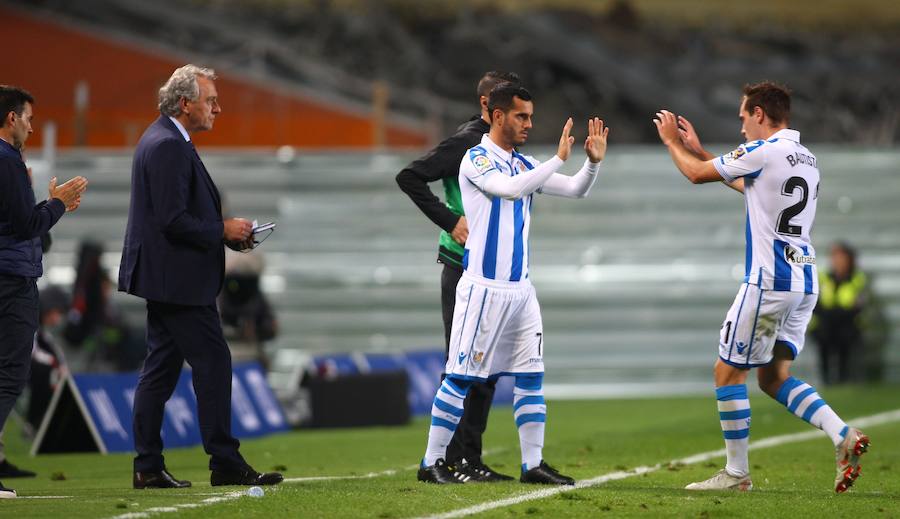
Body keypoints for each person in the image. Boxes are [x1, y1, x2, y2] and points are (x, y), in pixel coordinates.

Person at [653, 81, 869, 493]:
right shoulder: (806, 158)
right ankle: (842, 434)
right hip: (804, 282)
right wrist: (700, 150)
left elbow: (697, 176)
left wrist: (671, 143)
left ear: (759, 115)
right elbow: (754, 190)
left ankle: (736, 475)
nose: (741, 129)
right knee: (773, 378)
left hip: (769, 281)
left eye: (742, 118)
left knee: (726, 372)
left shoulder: (762, 151)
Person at [417, 84, 609, 485]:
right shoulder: (476, 159)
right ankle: (431, 462)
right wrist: (556, 160)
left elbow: (576, 189)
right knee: (461, 376)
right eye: (521, 116)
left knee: (530, 375)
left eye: (531, 117)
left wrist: (591, 164)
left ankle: (532, 464)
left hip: (521, 292)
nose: (528, 124)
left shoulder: (523, 163)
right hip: (482, 287)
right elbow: (508, 190)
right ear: (499, 116)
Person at [118, 65, 282, 489]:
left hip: (170, 276)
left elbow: (175, 217)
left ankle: (148, 465)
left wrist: (227, 237)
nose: (217, 109)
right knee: (213, 361)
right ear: (185, 103)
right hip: (177, 280)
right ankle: (223, 461)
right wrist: (221, 230)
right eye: (210, 101)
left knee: (161, 369)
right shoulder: (168, 145)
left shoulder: (166, 139)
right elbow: (173, 220)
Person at [396, 71, 521, 482]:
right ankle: (450, 460)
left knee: (485, 370)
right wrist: (451, 221)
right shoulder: (468, 142)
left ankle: (470, 459)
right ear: (488, 104)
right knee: (465, 366)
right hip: (462, 266)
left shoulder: (499, 144)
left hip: (492, 271)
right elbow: (410, 176)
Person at [0, 85, 87, 499]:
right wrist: (56, 204)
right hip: (10, 281)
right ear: (11, 118)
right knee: (10, 373)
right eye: (29, 119)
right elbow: (23, 226)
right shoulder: (7, 160)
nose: (32, 129)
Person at [811, 242, 889, 384]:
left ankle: (844, 381)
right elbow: (815, 303)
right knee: (823, 342)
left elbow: (859, 305)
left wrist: (837, 312)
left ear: (850, 259)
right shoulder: (824, 277)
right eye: (834, 257)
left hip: (848, 325)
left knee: (846, 347)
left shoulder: (858, 278)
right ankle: (827, 382)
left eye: (841, 257)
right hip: (826, 325)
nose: (837, 261)